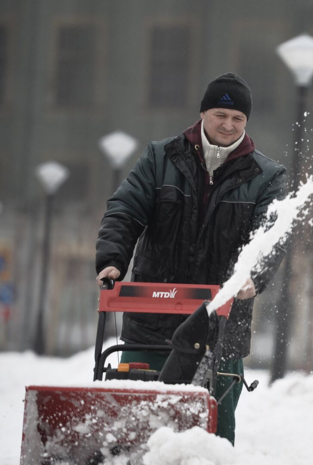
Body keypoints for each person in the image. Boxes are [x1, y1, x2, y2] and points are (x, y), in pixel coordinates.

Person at [95, 73, 287, 445]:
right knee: (138, 415)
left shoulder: (267, 176)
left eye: (238, 119)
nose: (228, 125)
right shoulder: (160, 157)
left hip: (221, 324)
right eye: (220, 115)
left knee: (214, 423)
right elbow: (125, 210)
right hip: (151, 317)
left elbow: (271, 235)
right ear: (202, 114)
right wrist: (112, 258)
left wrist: (254, 276)